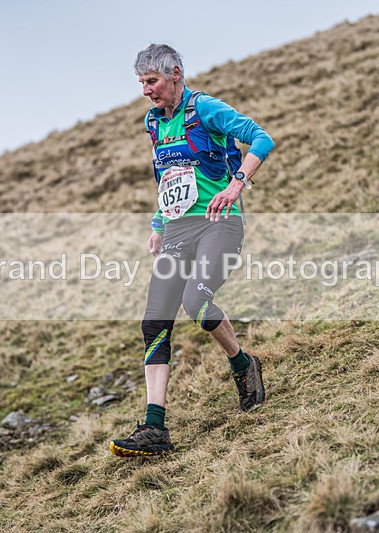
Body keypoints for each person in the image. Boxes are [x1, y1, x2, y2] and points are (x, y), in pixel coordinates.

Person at [110, 44, 274, 457]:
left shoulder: (206, 109)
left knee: (196, 302)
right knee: (154, 322)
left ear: (176, 74)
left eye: (152, 81)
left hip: (220, 224)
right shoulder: (153, 122)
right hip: (178, 229)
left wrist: (237, 185)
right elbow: (168, 176)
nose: (146, 91)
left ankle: (242, 364)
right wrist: (158, 225)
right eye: (142, 83)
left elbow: (262, 138)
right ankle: (154, 428)